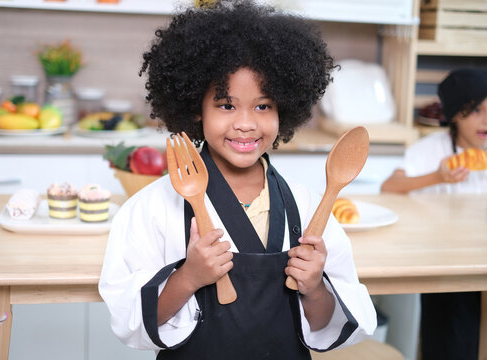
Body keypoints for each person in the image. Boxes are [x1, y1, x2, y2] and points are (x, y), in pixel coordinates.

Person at [99, 1, 376, 358]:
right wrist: (188, 278)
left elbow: (325, 323)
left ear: (285, 109)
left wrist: (314, 289)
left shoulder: (306, 206)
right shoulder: (154, 207)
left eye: (263, 106)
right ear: (196, 109)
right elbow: (132, 322)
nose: (246, 123)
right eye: (227, 105)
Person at [381, 68, 487, 360]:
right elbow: (389, 187)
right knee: (451, 334)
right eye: (476, 110)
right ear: (455, 114)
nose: (486, 120)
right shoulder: (429, 150)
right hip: (445, 262)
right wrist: (437, 177)